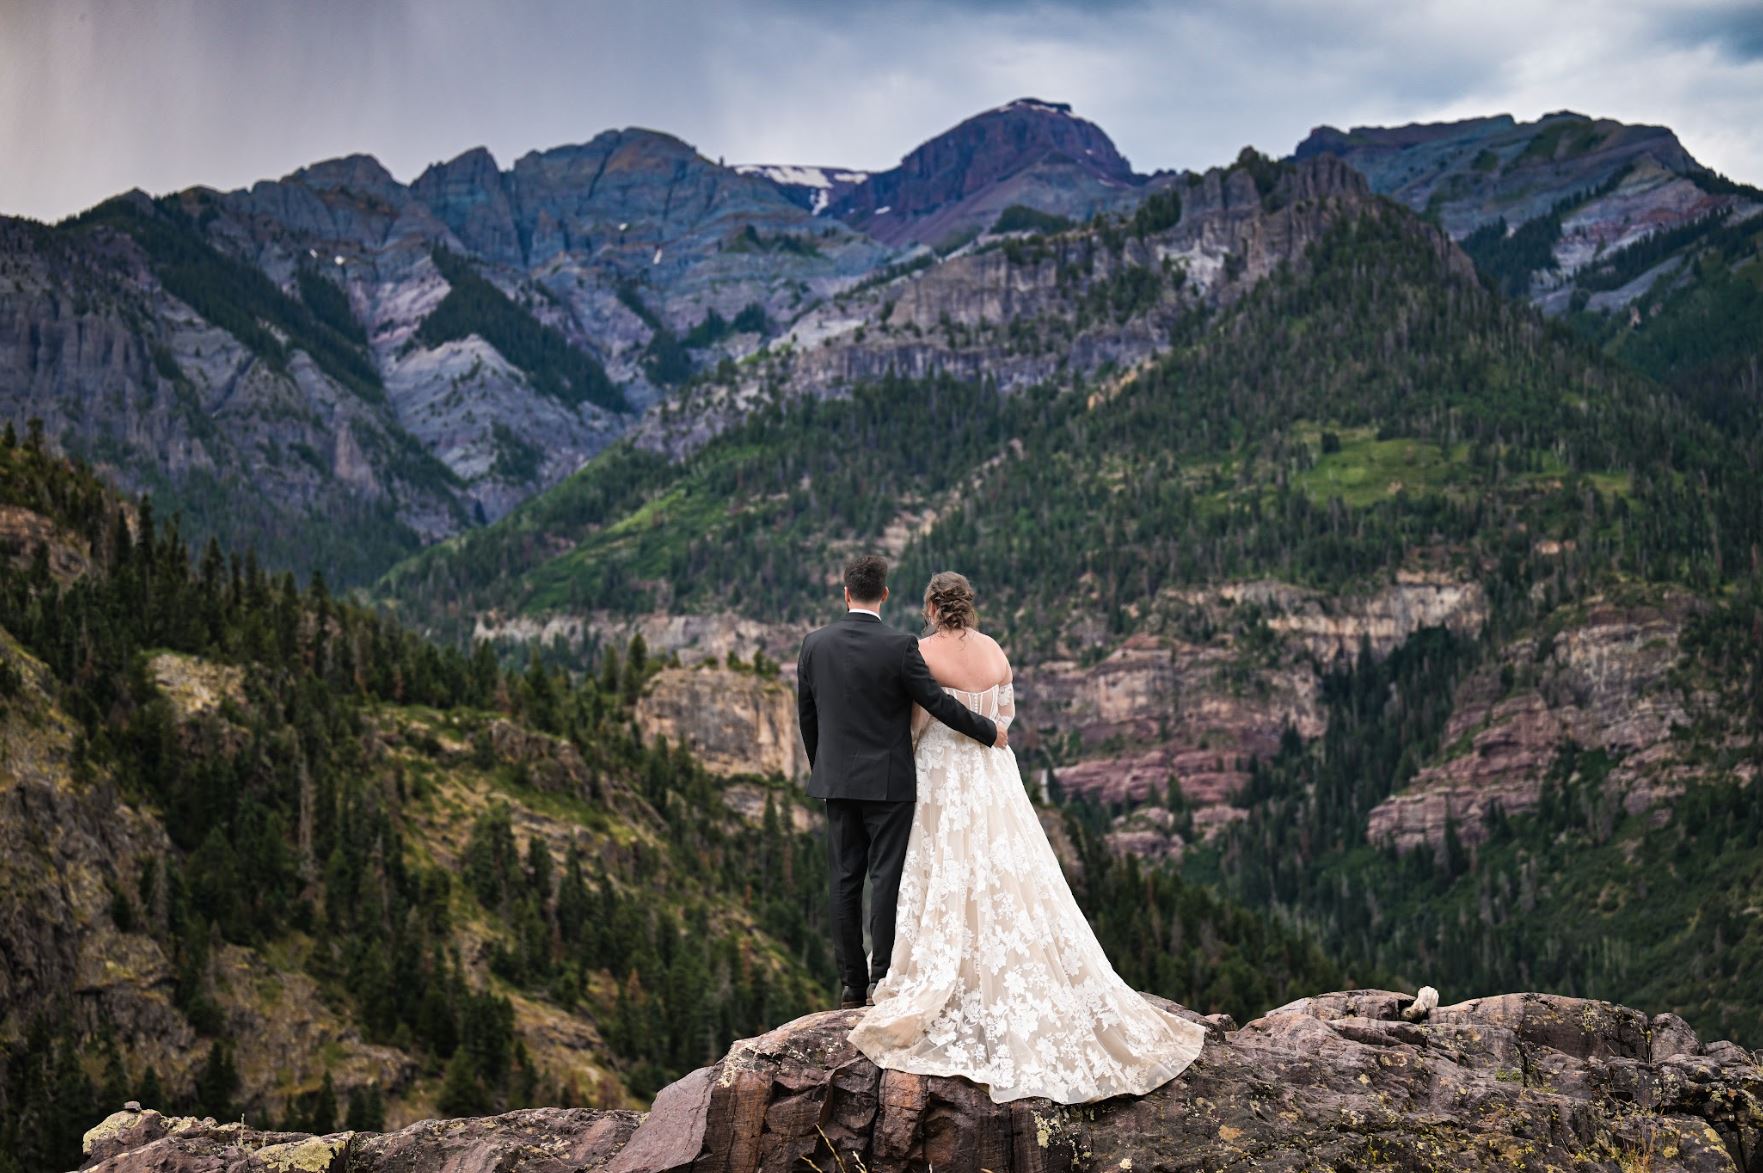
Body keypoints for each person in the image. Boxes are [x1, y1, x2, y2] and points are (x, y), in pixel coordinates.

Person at [847, 571, 1207, 1103]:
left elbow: (918, 721)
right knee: (1008, 872)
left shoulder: (921, 653)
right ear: (967, 605)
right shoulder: (994, 651)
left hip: (943, 775)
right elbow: (1004, 717)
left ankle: (952, 973)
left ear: (931, 607)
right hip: (994, 774)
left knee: (947, 870)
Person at [796, 555, 1008, 1011]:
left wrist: (825, 769)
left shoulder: (814, 644)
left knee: (844, 883)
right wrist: (988, 731)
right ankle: (882, 978)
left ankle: (851, 988)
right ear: (885, 594)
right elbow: (937, 703)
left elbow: (807, 718)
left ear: (846, 593)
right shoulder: (900, 646)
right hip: (890, 782)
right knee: (887, 879)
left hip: (837, 782)